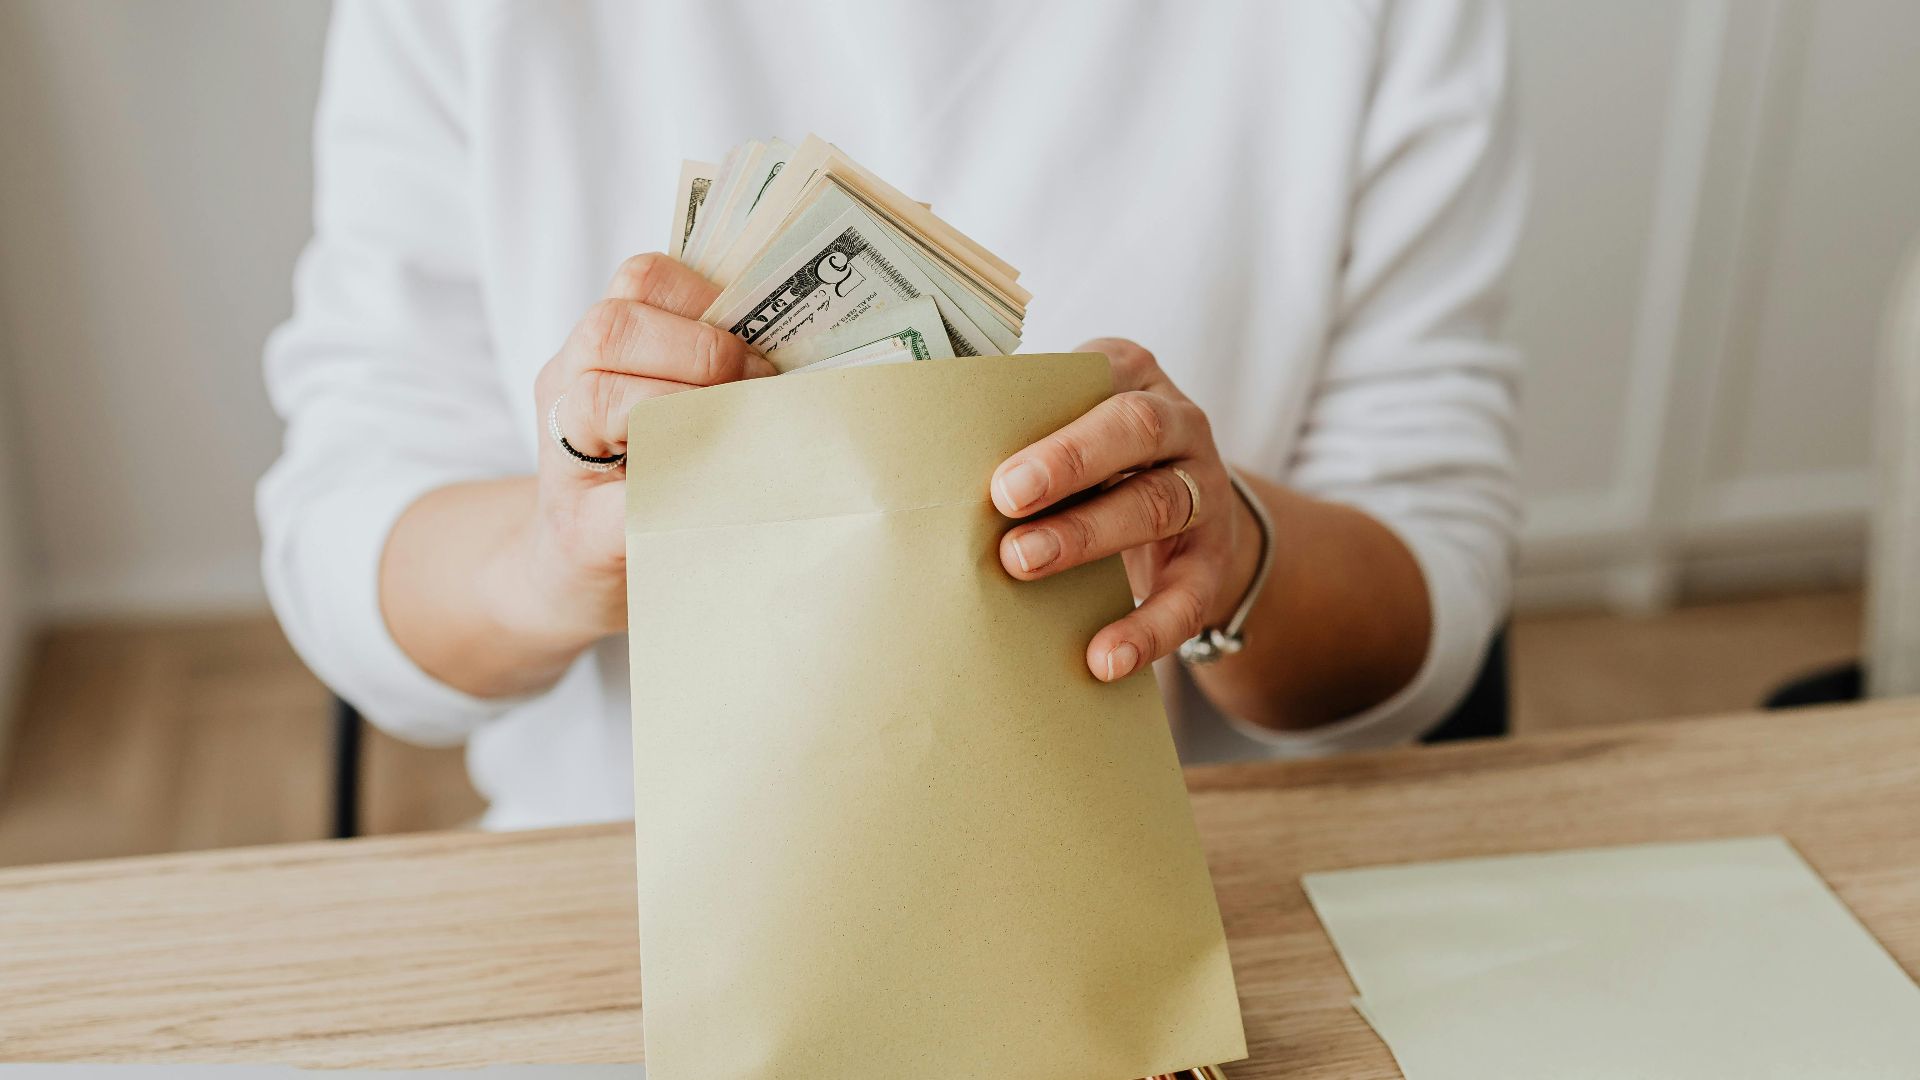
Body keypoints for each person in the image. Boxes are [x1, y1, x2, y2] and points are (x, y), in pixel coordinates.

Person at [260, 0, 1526, 830]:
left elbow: (1433, 592)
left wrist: (1234, 554)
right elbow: (349, 538)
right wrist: (557, 558)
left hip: (1192, 900)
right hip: (627, 898)